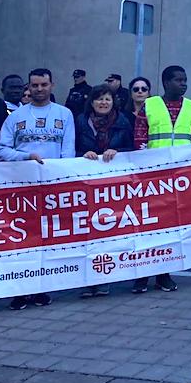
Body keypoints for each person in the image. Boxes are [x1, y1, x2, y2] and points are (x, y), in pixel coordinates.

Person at [0, 68, 75, 310]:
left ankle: (42, 288)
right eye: (35, 85)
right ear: (28, 87)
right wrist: (25, 156)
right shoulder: (15, 116)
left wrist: (60, 177)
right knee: (21, 240)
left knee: (47, 238)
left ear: (52, 85)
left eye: (44, 84)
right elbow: (1, 150)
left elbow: (68, 151)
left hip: (51, 188)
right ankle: (20, 290)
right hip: (22, 188)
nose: (39, 89)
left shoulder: (64, 114)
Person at [132, 65, 191, 294]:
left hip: (180, 178)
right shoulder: (150, 105)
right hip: (153, 178)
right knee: (147, 226)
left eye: (185, 80)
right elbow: (140, 140)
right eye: (178, 80)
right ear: (165, 83)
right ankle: (142, 275)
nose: (183, 84)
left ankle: (164, 274)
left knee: (171, 227)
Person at [75, 84, 134, 298]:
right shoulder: (81, 122)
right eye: (99, 99)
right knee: (86, 231)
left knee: (108, 230)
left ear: (113, 101)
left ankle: (104, 278)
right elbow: (73, 149)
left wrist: (116, 151)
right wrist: (83, 154)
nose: (103, 103)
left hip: (113, 186)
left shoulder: (123, 121)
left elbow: (132, 149)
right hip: (86, 185)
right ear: (91, 102)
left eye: (107, 99)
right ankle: (87, 280)